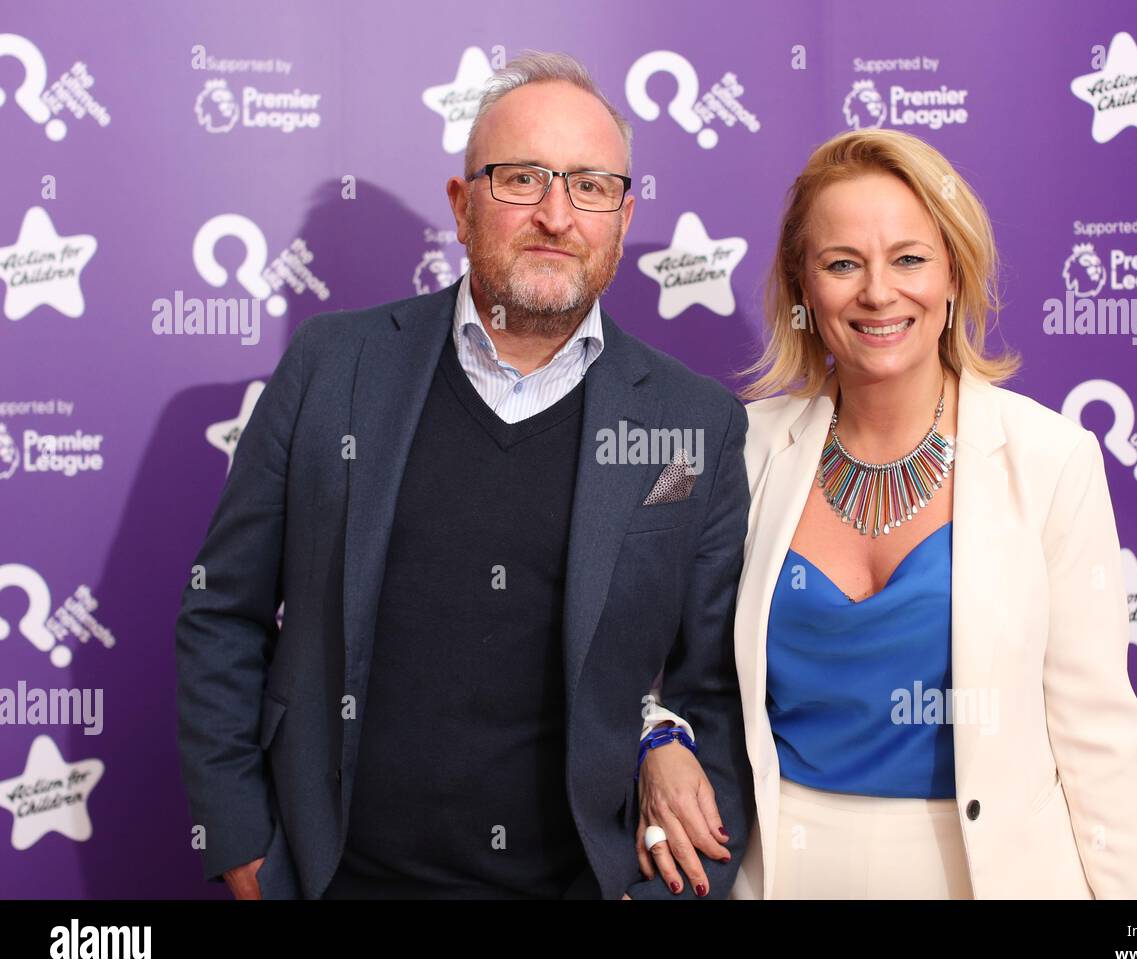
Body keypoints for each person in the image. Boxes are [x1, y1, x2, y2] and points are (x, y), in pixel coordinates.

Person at [174, 50, 752, 900]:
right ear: (462, 203)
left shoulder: (690, 420)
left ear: (623, 218)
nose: (557, 214)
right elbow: (221, 612)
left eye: (591, 186)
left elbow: (718, 689)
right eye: (522, 178)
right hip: (338, 879)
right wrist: (245, 850)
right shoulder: (333, 367)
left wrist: (668, 879)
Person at [636, 127, 1137, 899]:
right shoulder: (731, 449)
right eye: (843, 263)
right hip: (777, 875)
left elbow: (1098, 736)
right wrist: (654, 734)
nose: (878, 291)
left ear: (954, 274)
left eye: (909, 258)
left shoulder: (1052, 458)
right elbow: (608, 643)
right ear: (803, 290)